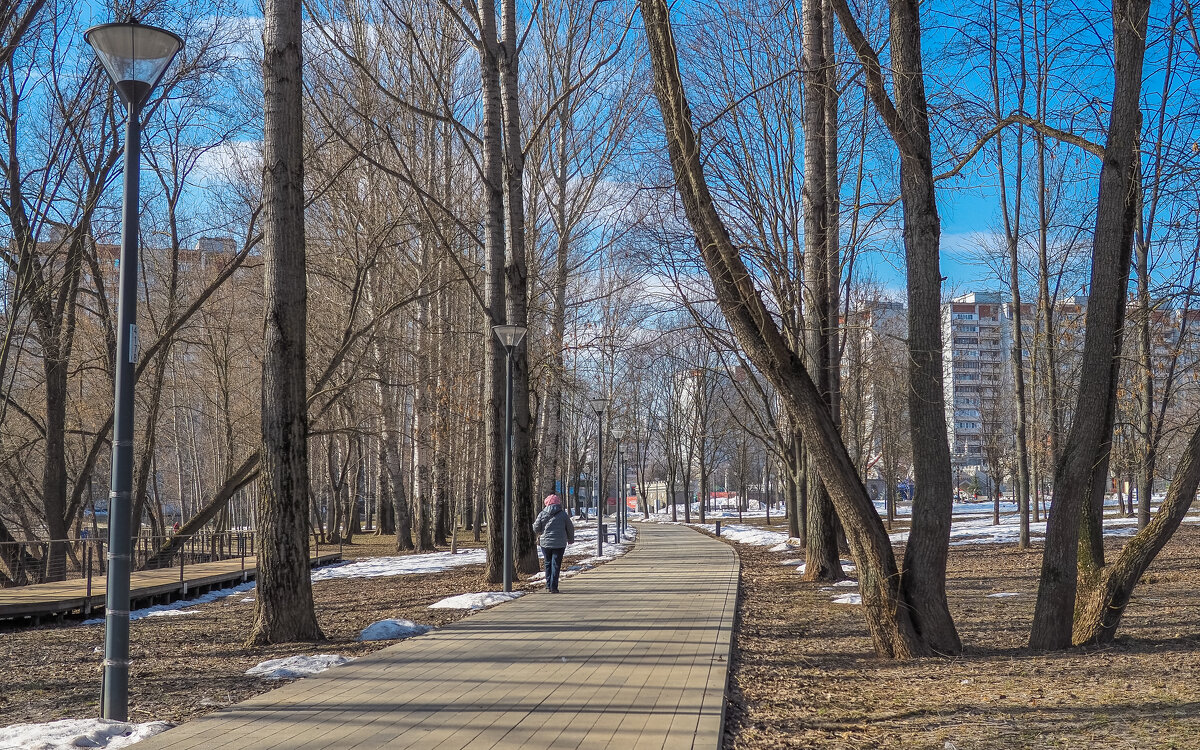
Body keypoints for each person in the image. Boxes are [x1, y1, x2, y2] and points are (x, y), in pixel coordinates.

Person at [532, 494, 574, 593]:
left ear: (546, 503)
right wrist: (570, 539)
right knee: (556, 564)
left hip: (545, 543)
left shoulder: (542, 514)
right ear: (558, 503)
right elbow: (570, 527)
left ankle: (547, 585)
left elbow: (536, 528)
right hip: (559, 543)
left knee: (547, 563)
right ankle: (554, 587)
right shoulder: (563, 514)